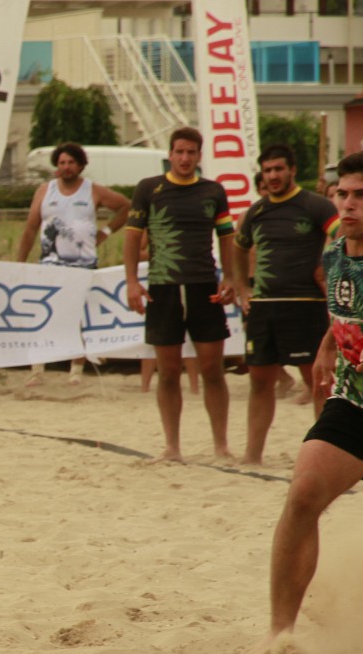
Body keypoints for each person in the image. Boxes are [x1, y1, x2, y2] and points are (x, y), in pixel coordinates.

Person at [241, 151, 363, 654]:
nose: (348, 203)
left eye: (361, 194)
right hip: (357, 405)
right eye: (342, 193)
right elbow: (345, 306)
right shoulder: (337, 249)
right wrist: (326, 345)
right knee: (301, 498)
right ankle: (280, 633)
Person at [124, 126, 239, 461]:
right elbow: (132, 236)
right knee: (169, 371)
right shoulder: (149, 188)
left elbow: (227, 236)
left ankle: (221, 444)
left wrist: (230, 277)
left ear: (199, 156)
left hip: (205, 287)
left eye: (191, 152)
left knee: (212, 369)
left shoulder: (213, 191)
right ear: (170, 155)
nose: (185, 158)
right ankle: (172, 446)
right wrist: (132, 281)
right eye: (180, 152)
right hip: (163, 289)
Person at [232, 144, 339, 465]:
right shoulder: (256, 212)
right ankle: (252, 455)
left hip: (305, 304)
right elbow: (238, 248)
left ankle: (324, 455)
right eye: (268, 171)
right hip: (264, 305)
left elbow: (344, 234)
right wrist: (240, 287)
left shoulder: (315, 205)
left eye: (279, 169)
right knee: (260, 380)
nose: (274, 176)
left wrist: (329, 266)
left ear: (292, 170)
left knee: (317, 380)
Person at [16, 142, 130, 385]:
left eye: (70, 163)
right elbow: (30, 228)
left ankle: (76, 371)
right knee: (44, 314)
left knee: (78, 316)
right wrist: (20, 263)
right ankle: (38, 370)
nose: (66, 167)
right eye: (62, 163)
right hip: (49, 263)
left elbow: (125, 207)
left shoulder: (93, 190)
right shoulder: (45, 191)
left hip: (82, 264)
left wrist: (106, 233)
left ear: (80, 165)